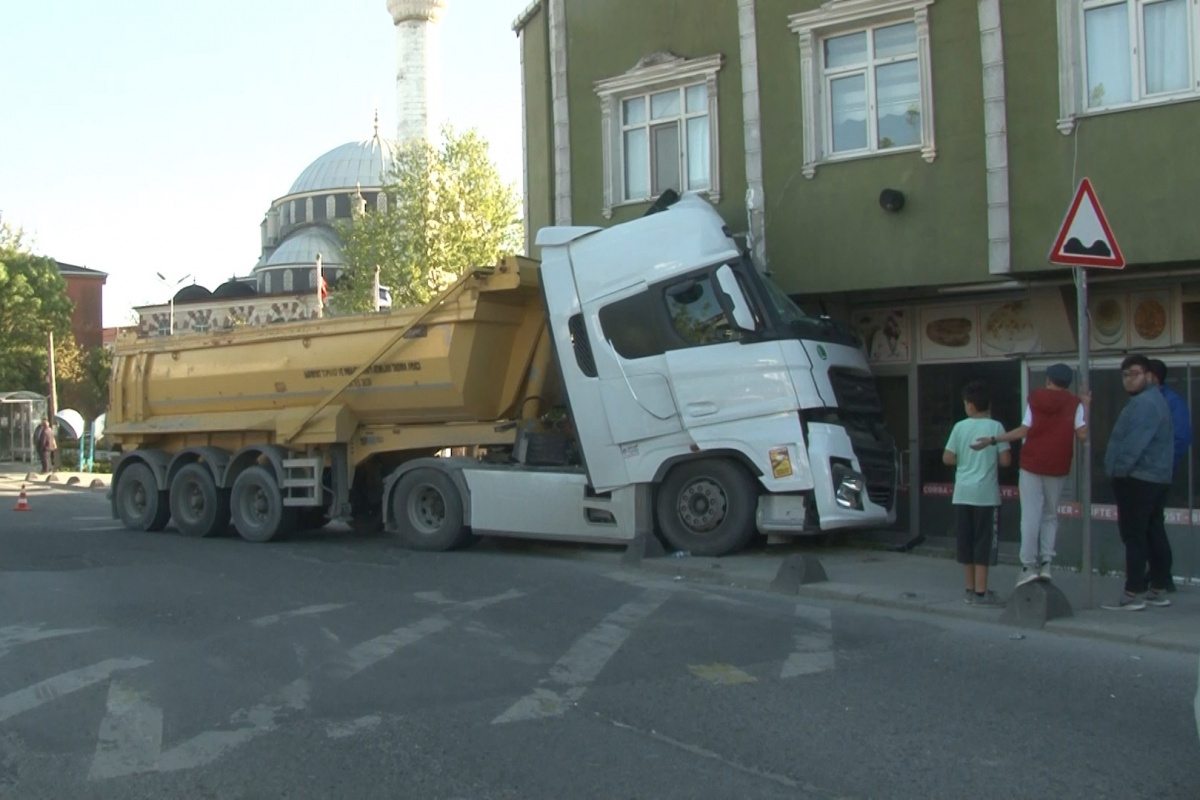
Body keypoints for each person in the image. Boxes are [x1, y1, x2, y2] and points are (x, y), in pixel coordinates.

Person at [973, 363, 1089, 587]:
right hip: (1058, 465)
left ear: (1048, 380)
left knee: (1030, 515)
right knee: (1050, 515)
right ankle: (1047, 563)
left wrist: (994, 440)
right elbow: (1083, 434)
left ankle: (1028, 566)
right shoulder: (1074, 403)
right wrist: (1086, 405)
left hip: (1032, 463)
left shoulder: (1036, 399)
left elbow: (1024, 430)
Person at [1102, 355, 1174, 611]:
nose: (1129, 379)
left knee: (1134, 535)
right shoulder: (1154, 400)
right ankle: (1158, 588)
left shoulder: (1144, 404)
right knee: (1153, 531)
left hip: (1138, 478)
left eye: (1135, 374)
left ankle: (1132, 593)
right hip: (1155, 477)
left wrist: (1118, 472)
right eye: (1125, 375)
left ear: (1149, 376)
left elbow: (1133, 444)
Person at [944, 380, 1011, 607]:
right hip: (986, 495)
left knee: (966, 541)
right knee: (983, 541)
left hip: (962, 493)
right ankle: (982, 593)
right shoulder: (996, 427)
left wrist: (965, 461)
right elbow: (1006, 460)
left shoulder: (959, 427)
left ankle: (969, 589)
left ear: (970, 405)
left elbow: (947, 457)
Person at [1145, 359, 1191, 593]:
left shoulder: (1171, 402)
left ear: (1153, 377)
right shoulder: (1145, 400)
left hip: (1157, 473)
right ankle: (1157, 574)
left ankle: (1162, 576)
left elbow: (1181, 437)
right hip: (1144, 473)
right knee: (1148, 525)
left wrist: (1164, 465)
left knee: (1153, 524)